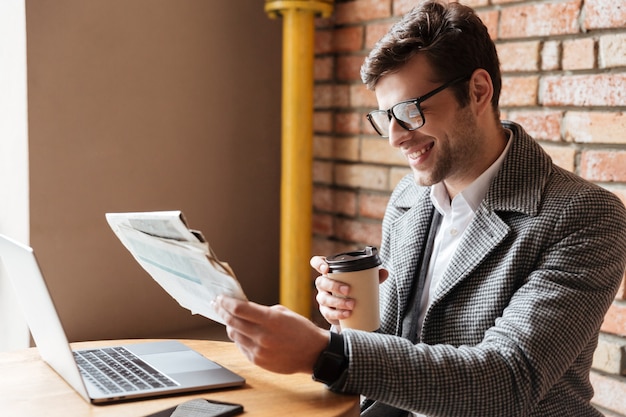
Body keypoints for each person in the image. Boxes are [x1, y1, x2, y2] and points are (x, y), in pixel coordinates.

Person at [213, 1, 626, 416]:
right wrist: (349, 317)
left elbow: (507, 380)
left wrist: (327, 352)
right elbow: (398, 348)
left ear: (478, 91)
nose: (394, 137)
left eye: (409, 111)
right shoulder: (409, 198)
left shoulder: (585, 217)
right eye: (385, 116)